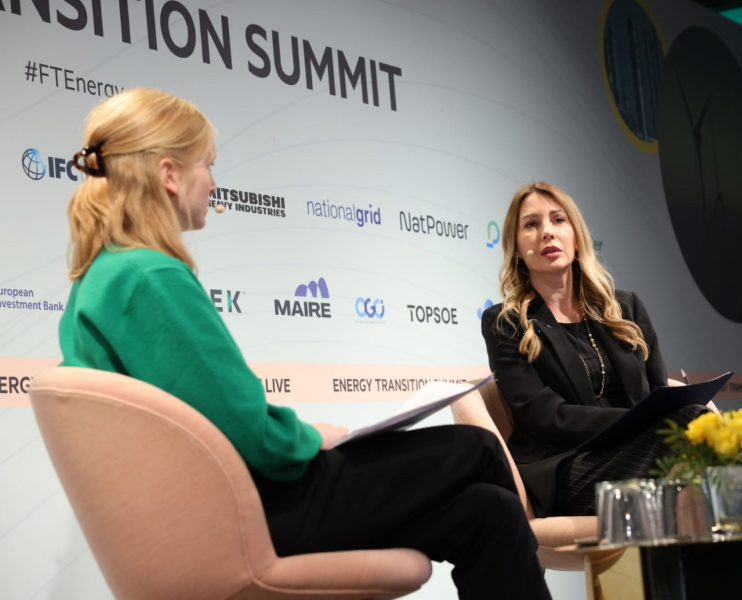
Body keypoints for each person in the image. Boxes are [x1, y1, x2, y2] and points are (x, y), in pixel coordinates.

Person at [58, 88, 551, 600]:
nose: (213, 182)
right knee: (478, 448)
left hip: (199, 515)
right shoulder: (150, 276)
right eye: (207, 164)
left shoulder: (100, 280)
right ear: (168, 174)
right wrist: (311, 438)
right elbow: (246, 431)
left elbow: (212, 414)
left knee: (487, 512)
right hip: (251, 511)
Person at [481, 181, 706, 519]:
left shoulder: (625, 307)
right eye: (531, 224)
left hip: (642, 447)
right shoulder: (505, 322)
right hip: (572, 466)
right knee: (690, 431)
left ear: (576, 237)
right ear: (516, 249)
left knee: (703, 429)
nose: (547, 232)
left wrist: (652, 420)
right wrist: (636, 421)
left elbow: (657, 390)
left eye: (558, 220)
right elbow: (546, 418)